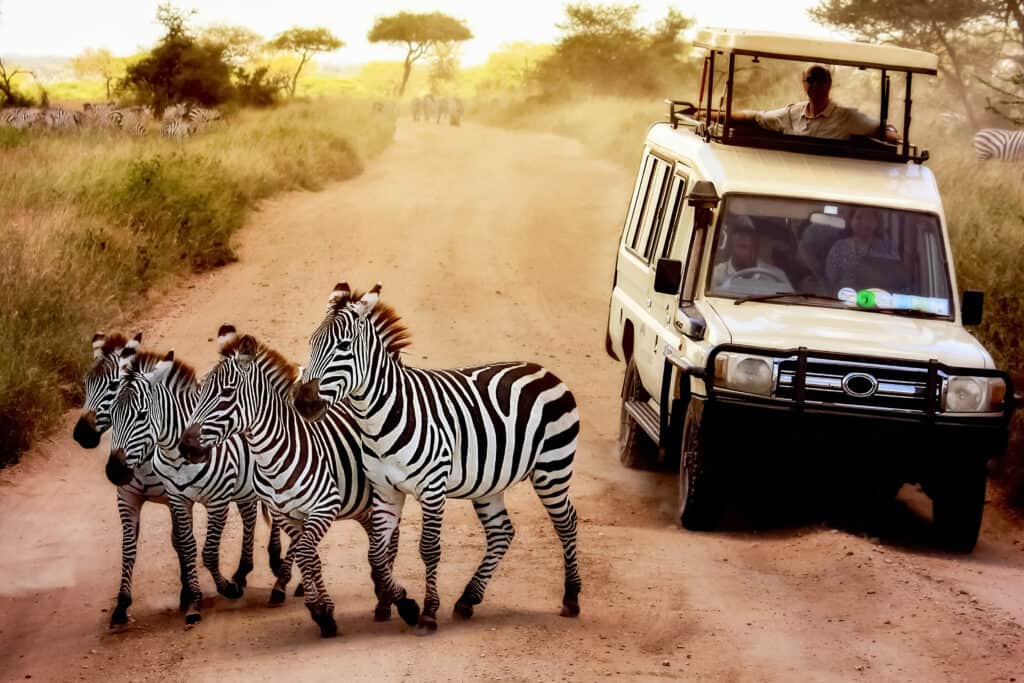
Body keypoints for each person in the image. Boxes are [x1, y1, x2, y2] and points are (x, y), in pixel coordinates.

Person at [707, 65, 900, 143]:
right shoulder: (792, 114)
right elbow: (756, 117)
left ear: (829, 84)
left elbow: (882, 131)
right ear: (803, 84)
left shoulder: (846, 117)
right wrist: (709, 114)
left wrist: (893, 134)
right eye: (811, 80)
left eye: (821, 80)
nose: (815, 85)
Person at [712, 216, 791, 289]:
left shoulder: (777, 276)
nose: (742, 237)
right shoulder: (716, 275)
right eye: (737, 232)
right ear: (730, 241)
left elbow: (789, 301)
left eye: (748, 232)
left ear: (757, 243)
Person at [824, 206, 891, 289]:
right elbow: (831, 279)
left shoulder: (887, 248)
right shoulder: (839, 246)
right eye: (859, 217)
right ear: (851, 221)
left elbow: (891, 280)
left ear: (877, 223)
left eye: (869, 219)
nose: (864, 222)